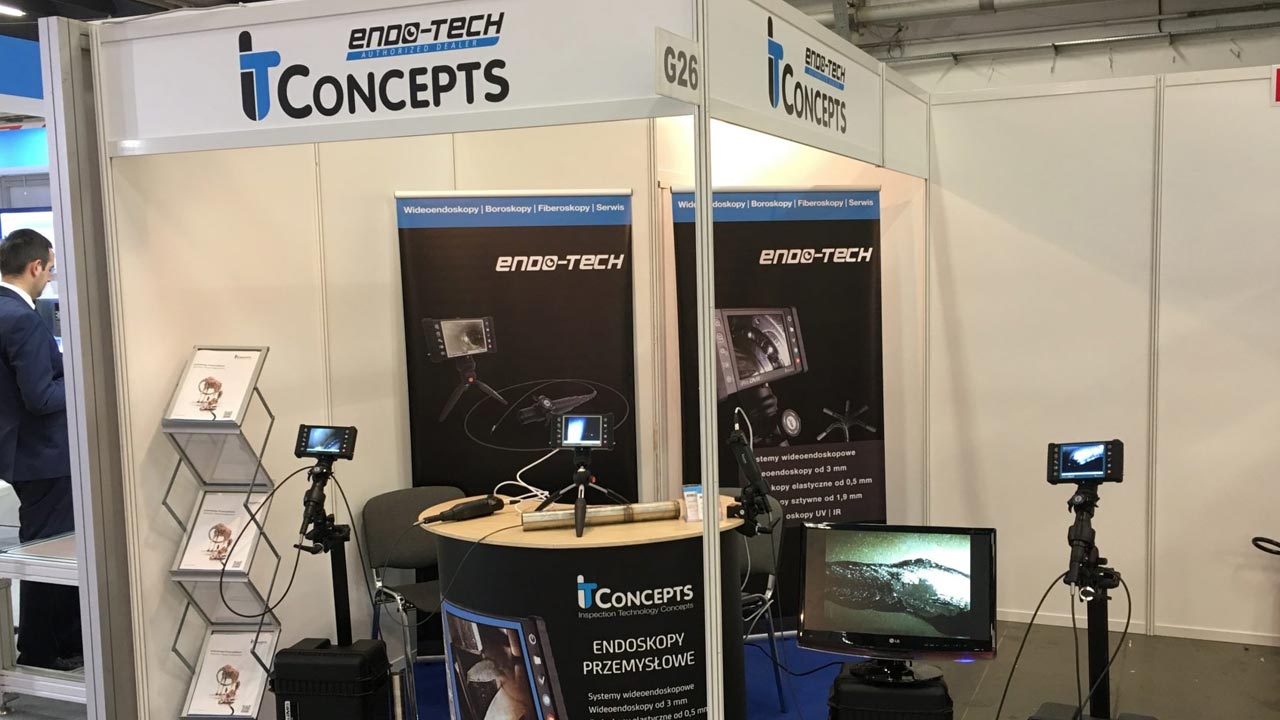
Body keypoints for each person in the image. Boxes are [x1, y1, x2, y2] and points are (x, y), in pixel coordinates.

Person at [0, 228, 81, 671]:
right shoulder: (23, 319)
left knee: (47, 544)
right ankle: (41, 650)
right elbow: (40, 397)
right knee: (51, 551)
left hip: (21, 454)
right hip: (45, 456)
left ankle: (64, 642)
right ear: (35, 267)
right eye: (49, 270)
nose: (49, 278)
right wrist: (81, 379)